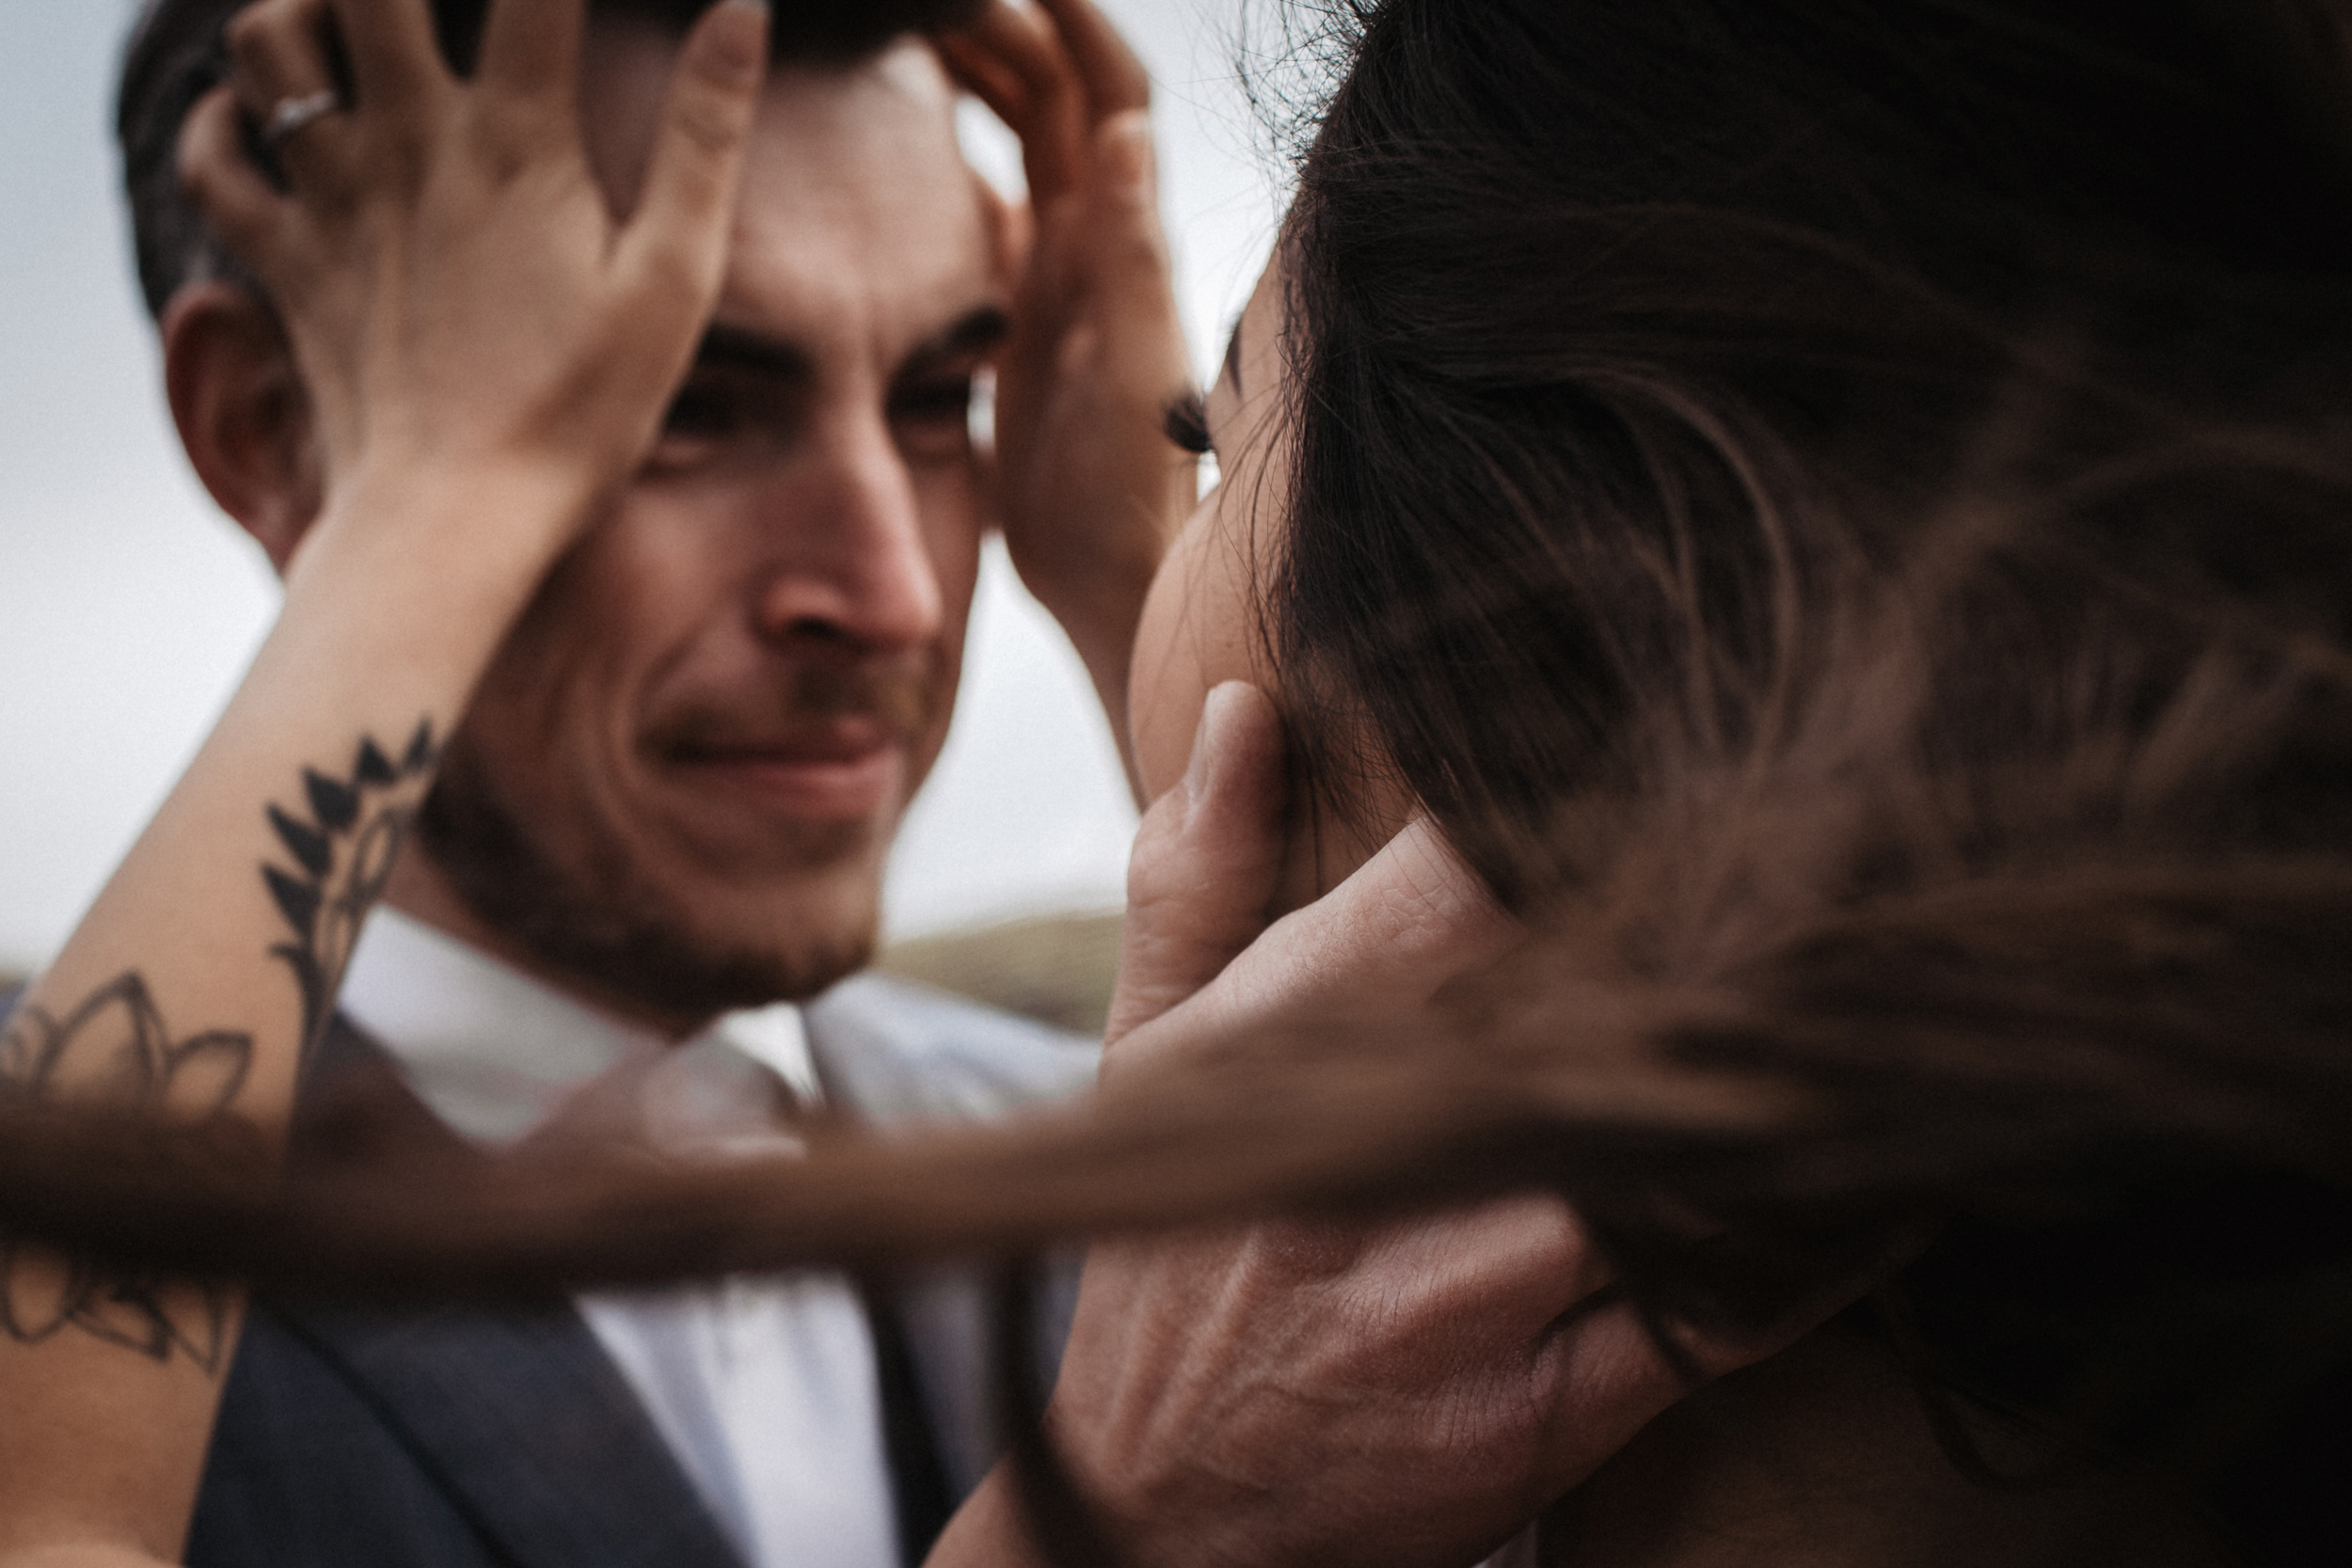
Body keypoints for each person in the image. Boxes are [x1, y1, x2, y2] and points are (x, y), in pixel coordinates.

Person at [0, 2, 1724, 1567]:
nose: (892, 590)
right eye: (663, 399)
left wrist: (1151, 572)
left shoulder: (1109, 1171)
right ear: (270, 434)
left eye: (940, 397)